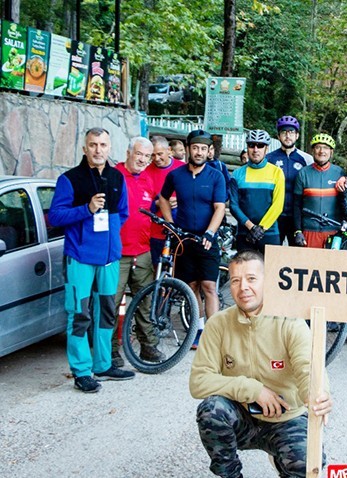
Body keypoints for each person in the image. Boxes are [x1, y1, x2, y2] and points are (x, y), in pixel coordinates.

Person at [190, 250, 333, 477]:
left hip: (286, 419)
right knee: (211, 410)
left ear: (267, 282)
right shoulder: (218, 323)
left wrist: (318, 394)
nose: (243, 287)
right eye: (236, 281)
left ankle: (282, 459)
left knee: (305, 464)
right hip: (242, 416)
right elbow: (198, 382)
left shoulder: (290, 322)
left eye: (252, 279)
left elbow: (308, 368)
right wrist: (252, 390)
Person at [48, 127, 135, 393]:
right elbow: (55, 217)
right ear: (85, 148)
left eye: (103, 145)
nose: (98, 150)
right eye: (93, 145)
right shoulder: (69, 179)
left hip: (109, 258)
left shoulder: (118, 177)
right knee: (80, 314)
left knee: (107, 312)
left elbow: (123, 214)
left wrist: (109, 239)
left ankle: (103, 364)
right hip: (81, 258)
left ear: (110, 148)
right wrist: (87, 209)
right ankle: (82, 371)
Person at [158, 129, 227, 348]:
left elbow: (220, 208)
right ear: (188, 149)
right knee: (192, 286)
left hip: (206, 239)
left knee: (209, 286)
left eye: (203, 149)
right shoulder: (176, 175)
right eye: (195, 148)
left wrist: (210, 232)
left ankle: (214, 335)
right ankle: (198, 330)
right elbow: (163, 198)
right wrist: (171, 224)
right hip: (183, 239)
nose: (198, 152)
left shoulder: (216, 176)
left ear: (209, 152)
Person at [111, 137, 164, 367]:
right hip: (117, 252)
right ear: (128, 152)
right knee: (111, 302)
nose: (142, 159)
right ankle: (111, 351)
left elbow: (156, 205)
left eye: (147, 156)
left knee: (145, 301)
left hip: (142, 251)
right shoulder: (114, 175)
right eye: (139, 154)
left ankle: (148, 347)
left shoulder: (148, 179)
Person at [228, 130, 285, 252]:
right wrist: (251, 227)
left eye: (260, 145)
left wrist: (261, 228)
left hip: (270, 233)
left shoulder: (277, 172)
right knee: (245, 271)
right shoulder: (237, 174)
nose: (255, 149)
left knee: (270, 271)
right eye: (251, 145)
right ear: (247, 148)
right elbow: (233, 205)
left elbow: (278, 205)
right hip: (245, 234)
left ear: (266, 149)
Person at [267, 115, 314, 245]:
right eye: (284, 132)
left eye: (291, 132)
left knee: (297, 256)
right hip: (275, 216)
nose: (288, 136)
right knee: (272, 255)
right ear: (278, 136)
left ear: (297, 135)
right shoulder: (269, 159)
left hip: (297, 216)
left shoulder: (307, 159)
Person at [292, 133, 345, 248]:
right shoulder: (303, 173)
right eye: (318, 147)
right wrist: (298, 230)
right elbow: (296, 205)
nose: (322, 151)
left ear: (331, 152)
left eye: (326, 148)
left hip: (333, 231)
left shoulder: (339, 172)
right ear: (312, 151)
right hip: (309, 231)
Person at [147, 135, 186, 266]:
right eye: (152, 155)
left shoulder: (183, 168)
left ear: (169, 150)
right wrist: (159, 203)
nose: (156, 159)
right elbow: (142, 203)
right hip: (157, 232)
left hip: (181, 229)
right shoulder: (146, 172)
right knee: (157, 270)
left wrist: (180, 200)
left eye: (159, 154)